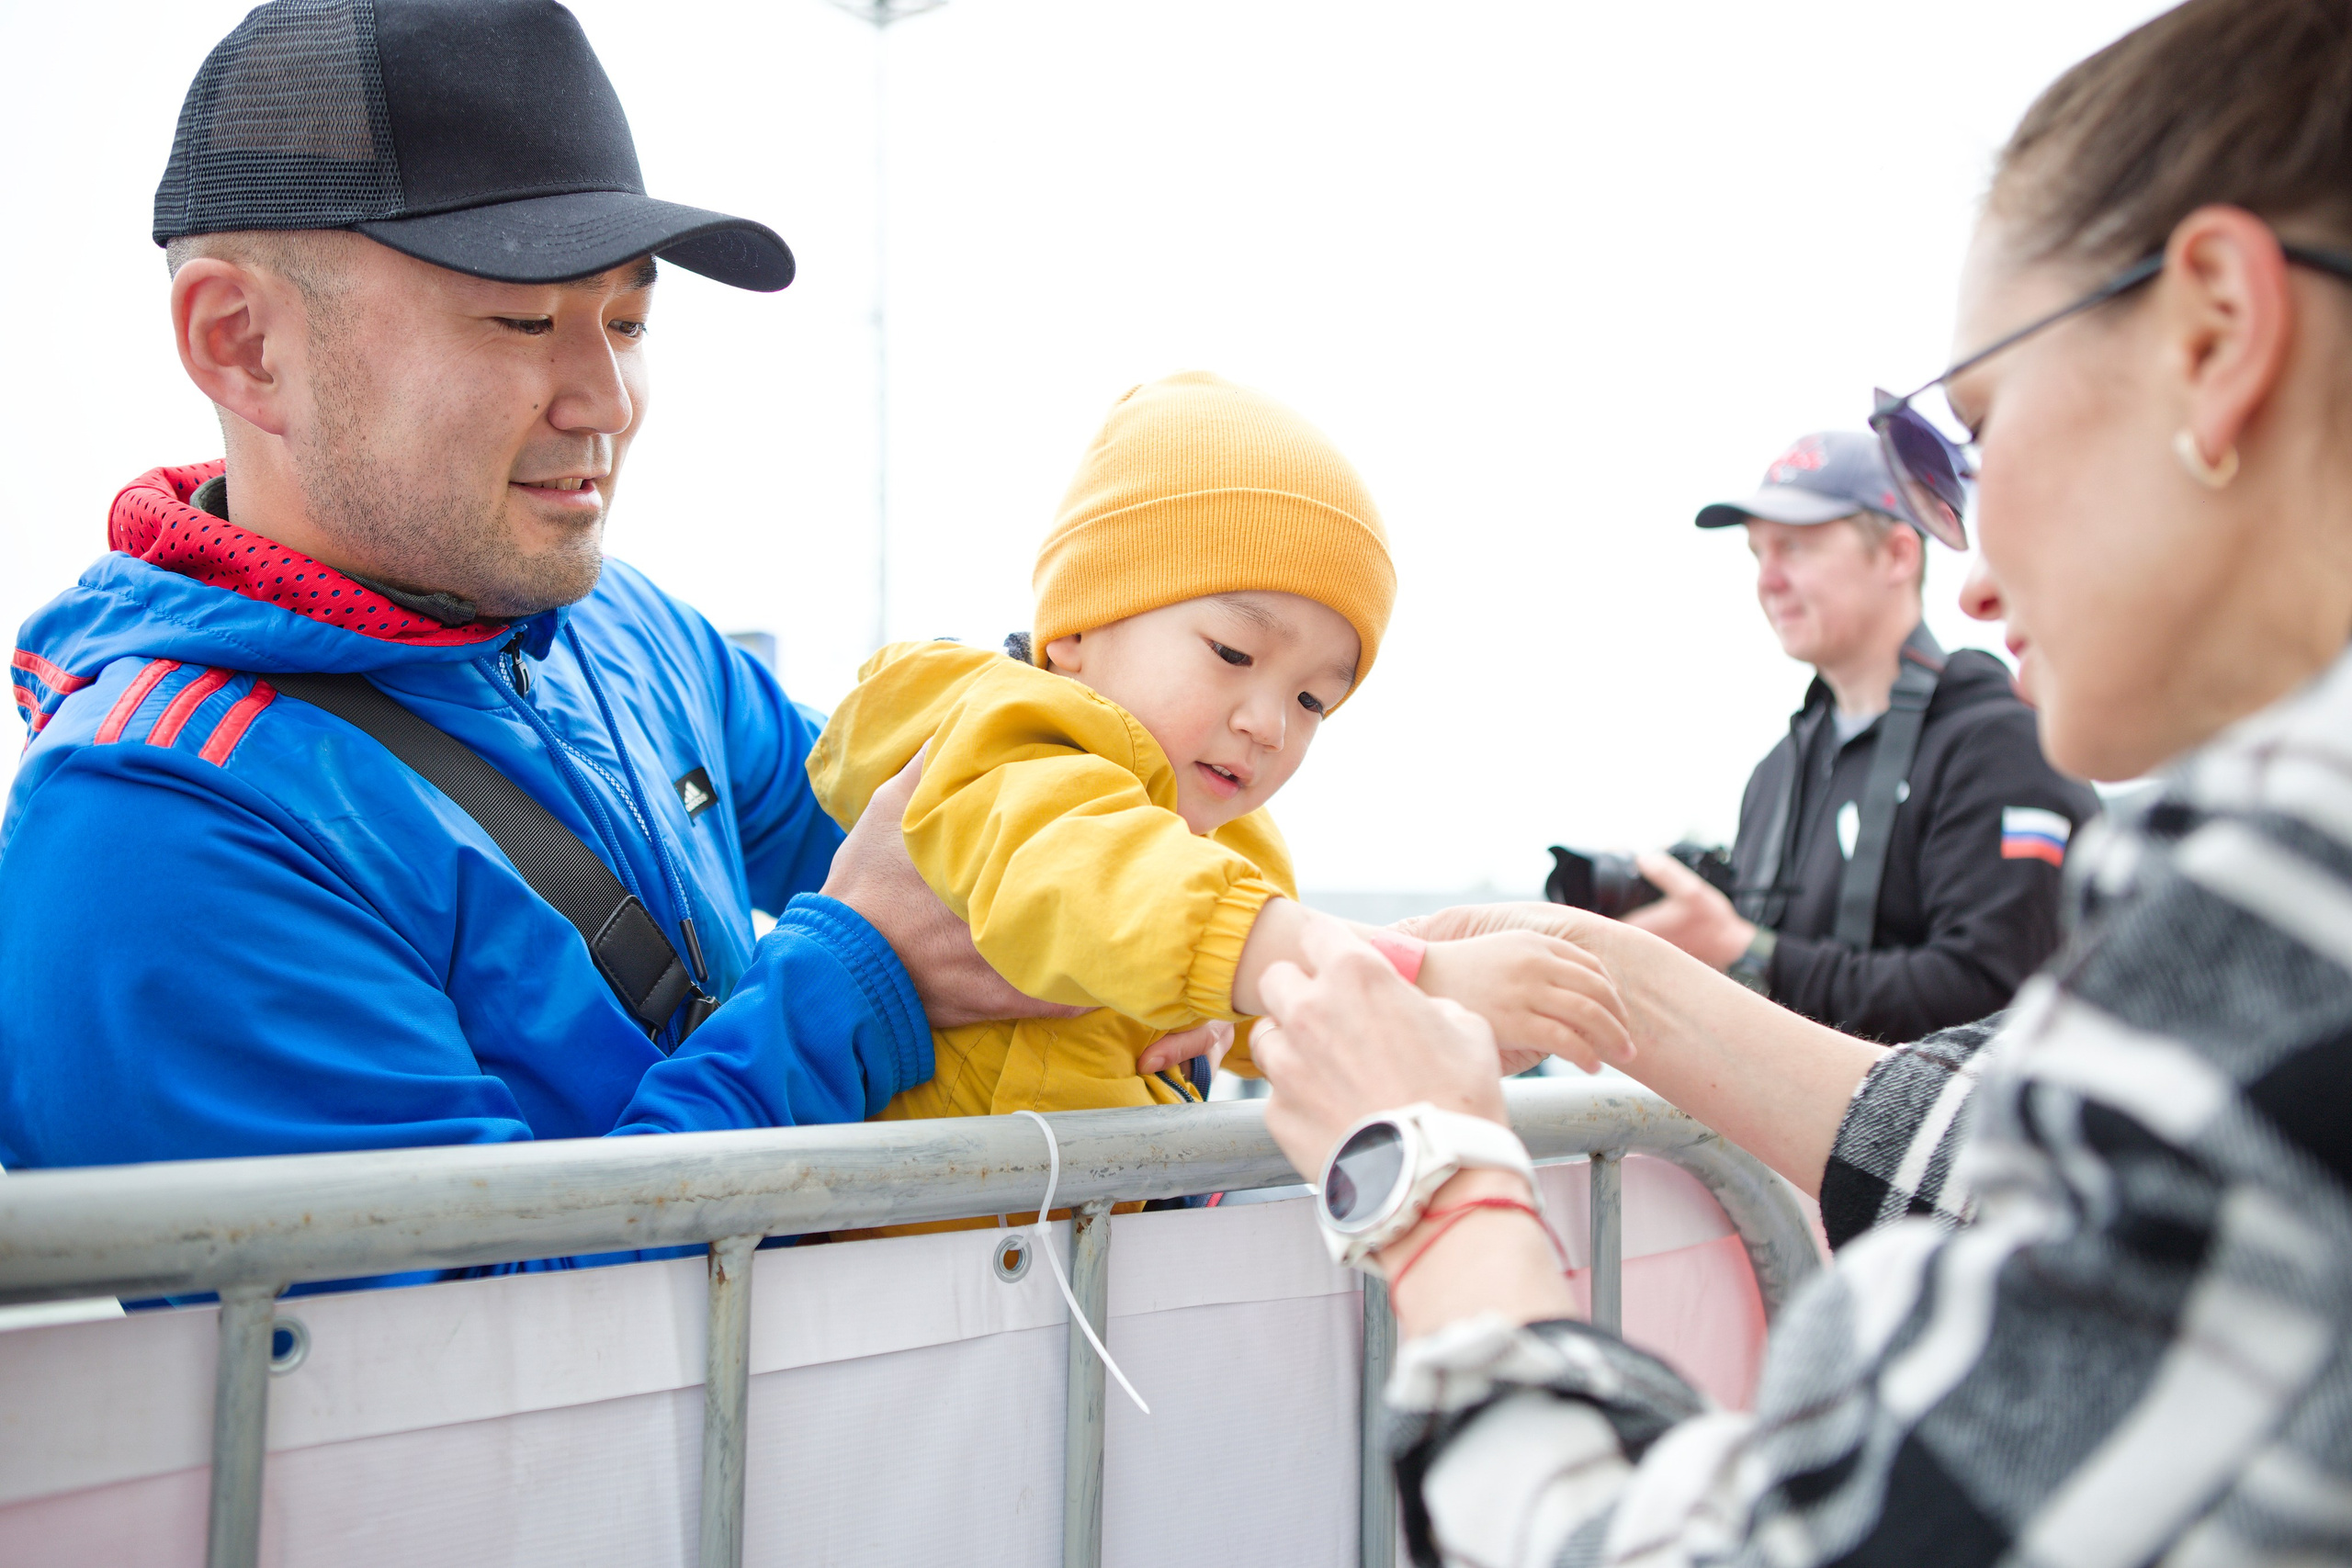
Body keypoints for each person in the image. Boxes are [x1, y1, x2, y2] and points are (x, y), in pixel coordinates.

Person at [1246, 0, 2352, 1559]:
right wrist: (1608, 974)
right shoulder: (1798, 766)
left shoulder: (2280, 880)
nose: (1974, 567)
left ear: (2218, 335)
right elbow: (2023, 1124)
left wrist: (1427, 1171)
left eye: (1967, 433)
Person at [0, 0, 1065, 1231]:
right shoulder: (147, 837)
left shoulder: (630, 630)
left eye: (627, 318)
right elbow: (459, 1363)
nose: (606, 398)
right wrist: (847, 982)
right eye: (522, 319)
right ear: (241, 343)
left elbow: (936, 850)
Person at [808, 373, 1623, 1145]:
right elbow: (1113, 884)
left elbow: (1251, 988)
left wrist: (1429, 1027)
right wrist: (1418, 978)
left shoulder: (1223, 840)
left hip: (1075, 1261)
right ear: (1077, 630)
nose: (1270, 723)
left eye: (1313, 701)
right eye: (1234, 652)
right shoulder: (1011, 748)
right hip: (914, 1264)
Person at [1625, 431, 2097, 1042]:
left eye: (1795, 546)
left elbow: (1994, 994)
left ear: (1899, 555)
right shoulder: (1776, 772)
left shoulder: (1999, 738)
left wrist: (1741, 948)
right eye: (1756, 552)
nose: (1768, 579)